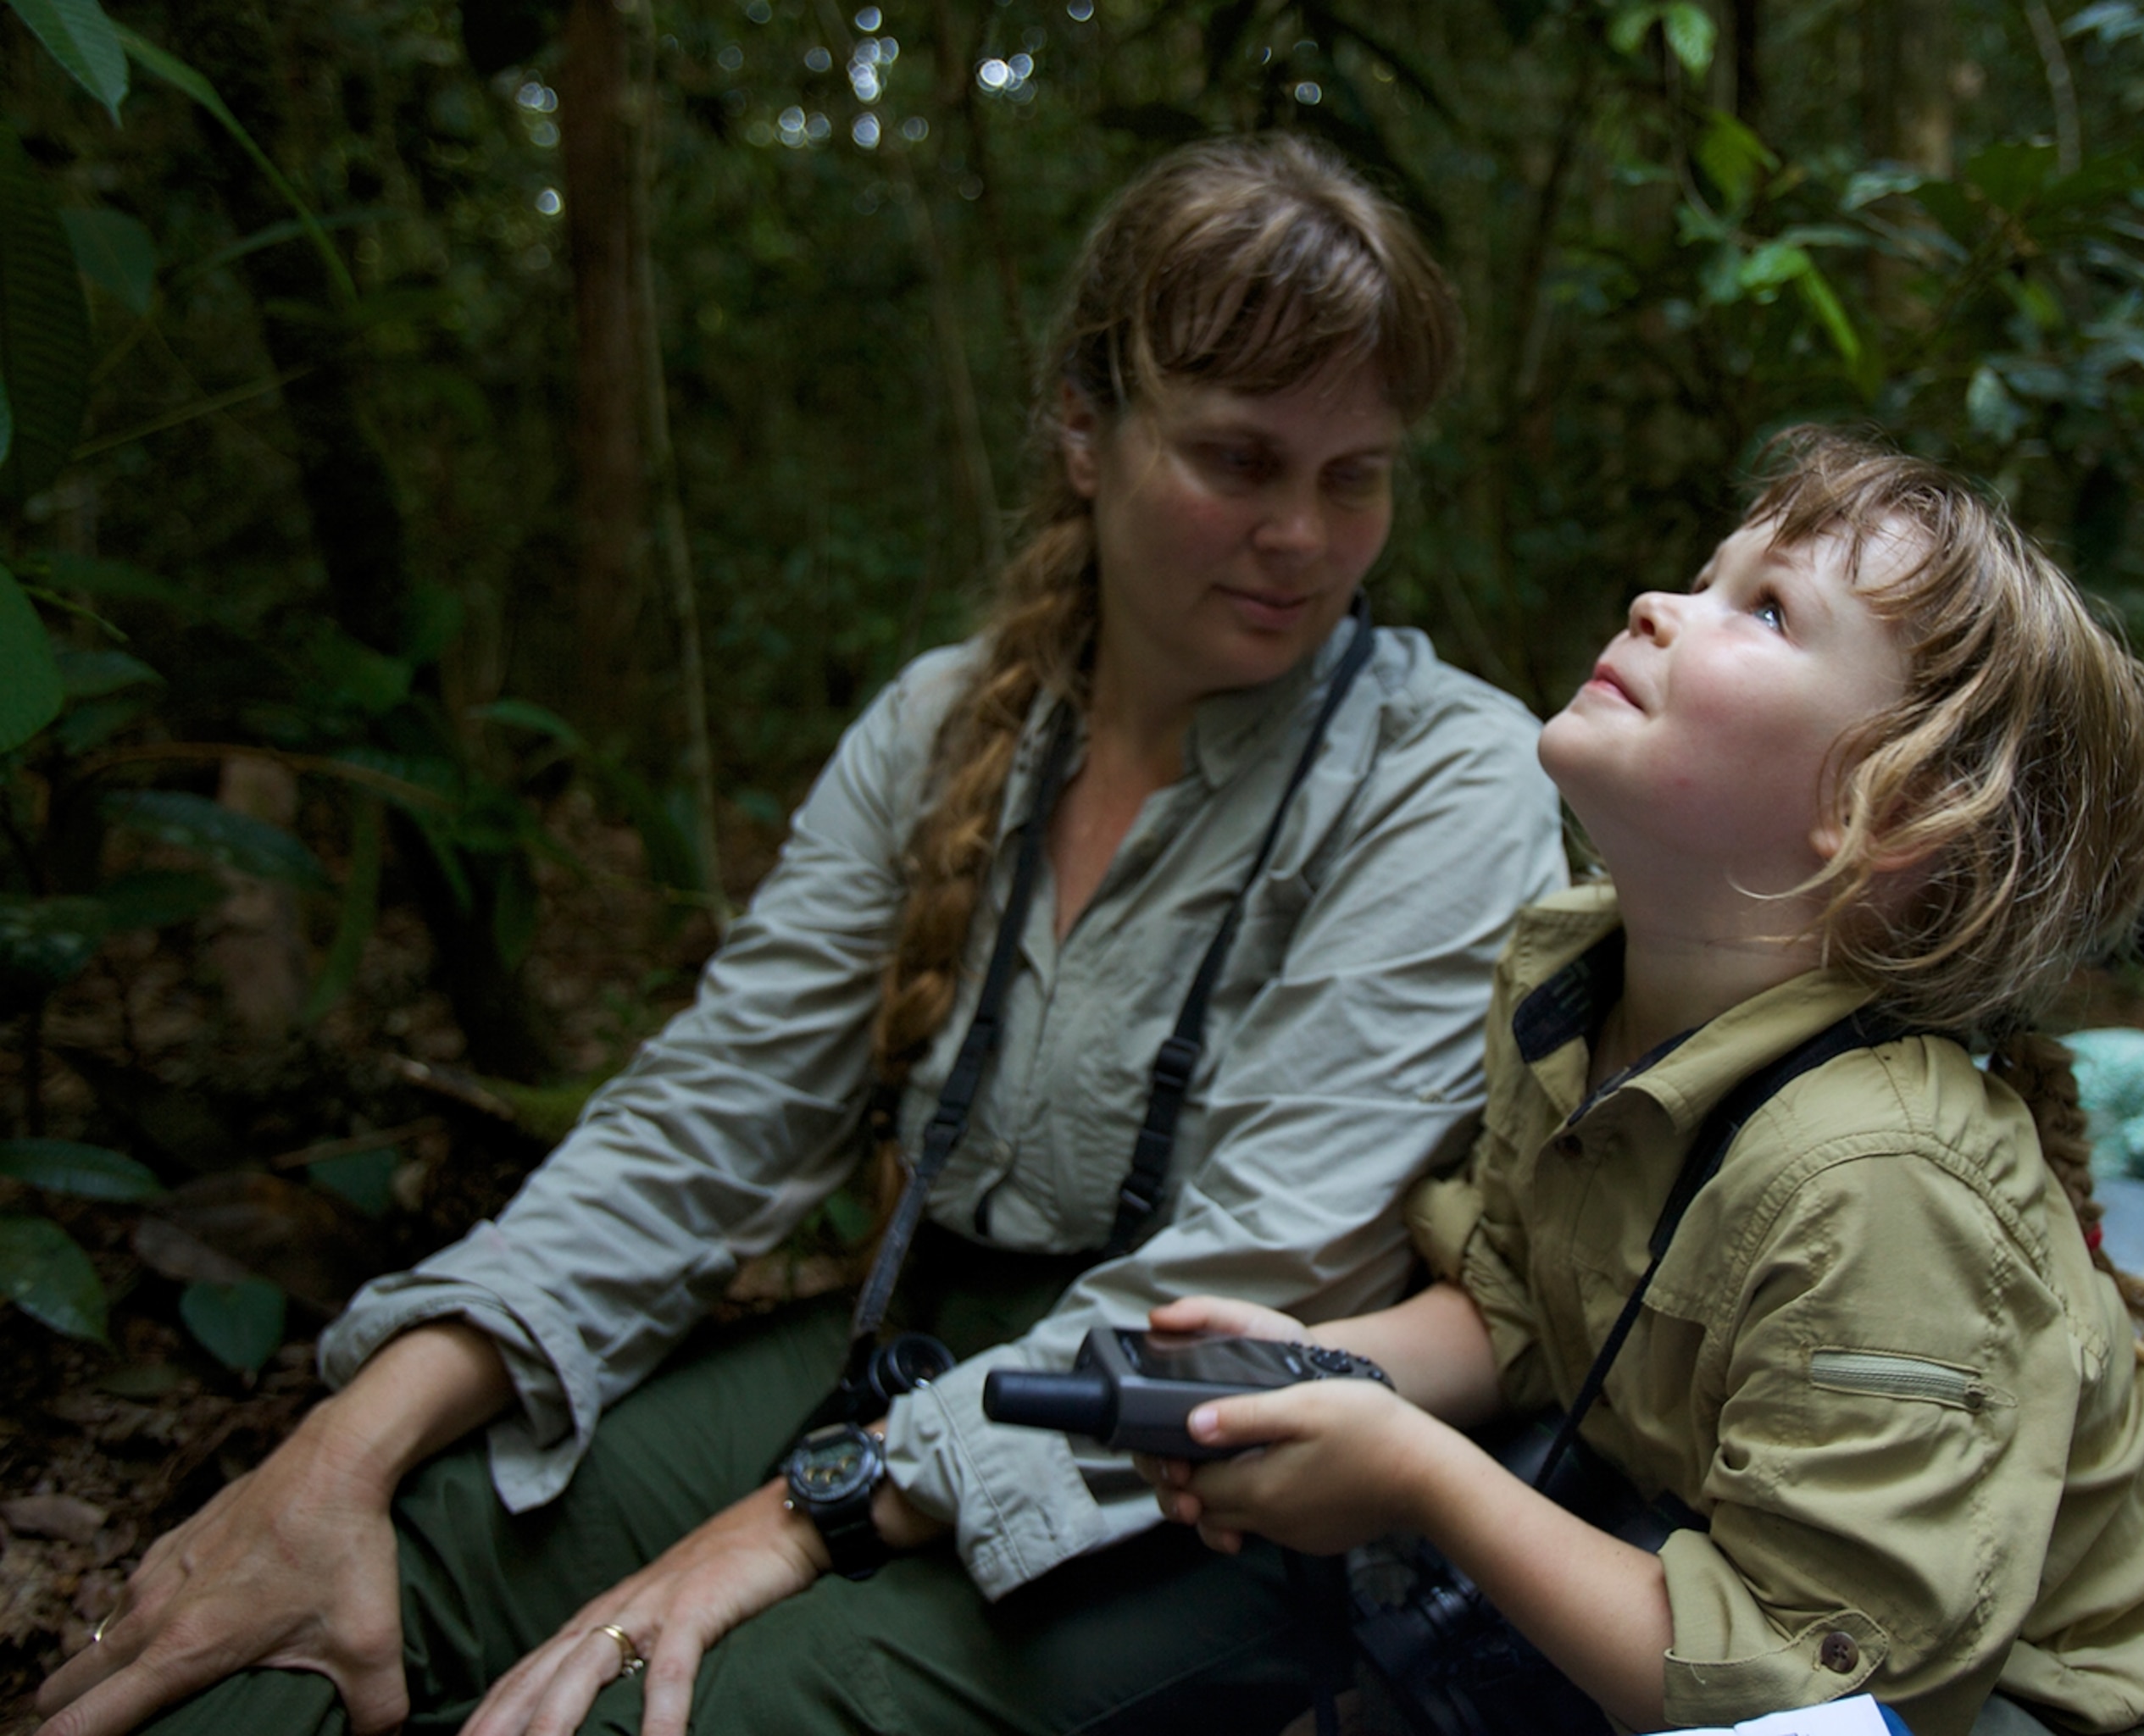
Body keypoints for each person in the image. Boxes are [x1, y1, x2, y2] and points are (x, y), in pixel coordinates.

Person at [36, 135, 1569, 1736]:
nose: (1305, 538)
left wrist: (799, 1517)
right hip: (898, 1346)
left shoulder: (1445, 777)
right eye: (1240, 460)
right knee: (335, 1600)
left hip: (1200, 1482)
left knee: (675, 1706)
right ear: (1081, 429)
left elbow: (1249, 1278)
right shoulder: (937, 725)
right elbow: (709, 1118)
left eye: (1357, 474)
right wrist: (340, 1449)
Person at [1136, 430, 2144, 1736]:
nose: (1657, 605)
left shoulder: (1879, 1182)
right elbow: (1525, 1298)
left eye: (1769, 608)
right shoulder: (1575, 975)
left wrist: (1413, 1474)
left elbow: (1811, 1687)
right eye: (1706, 571)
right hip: (1707, 1545)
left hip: (1999, 1700)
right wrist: (1307, 1369)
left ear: (1892, 812)